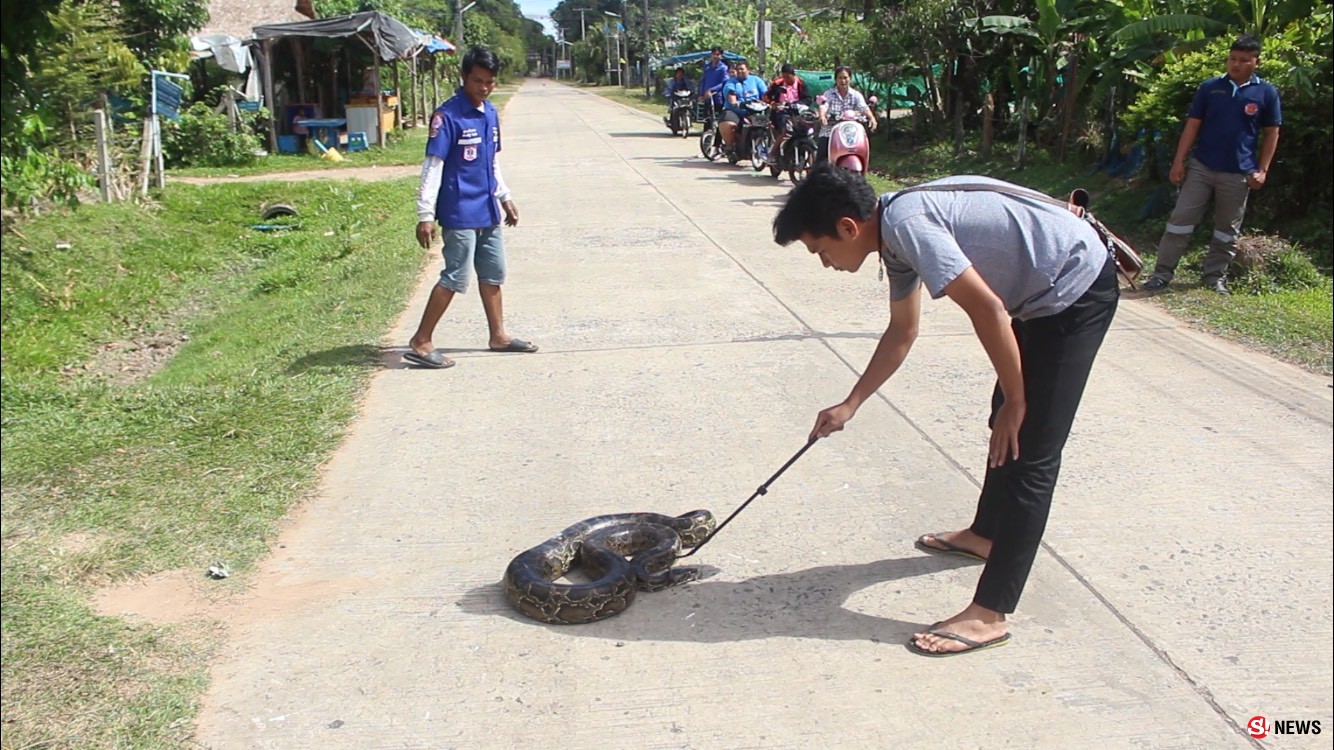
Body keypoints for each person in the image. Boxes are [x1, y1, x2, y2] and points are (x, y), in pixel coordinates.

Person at [772, 164, 1120, 657]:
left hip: (1074, 288)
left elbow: (989, 310)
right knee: (1003, 419)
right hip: (1039, 292)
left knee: (1032, 449)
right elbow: (902, 331)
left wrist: (1019, 400)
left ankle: (990, 613)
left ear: (848, 227)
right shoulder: (890, 233)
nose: (825, 262)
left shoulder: (909, 225)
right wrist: (850, 404)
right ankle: (985, 535)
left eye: (820, 250)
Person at [405, 45, 538, 369]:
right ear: (464, 77)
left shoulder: (490, 113)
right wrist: (425, 215)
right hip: (459, 211)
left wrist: (504, 196)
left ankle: (498, 336)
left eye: (490, 82)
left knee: (493, 274)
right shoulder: (447, 116)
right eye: (478, 81)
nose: (484, 88)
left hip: (487, 209)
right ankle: (421, 341)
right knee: (455, 276)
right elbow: (432, 167)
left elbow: (490, 161)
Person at [1144, 34, 1282, 295]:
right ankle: (1161, 274)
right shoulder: (1210, 87)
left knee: (1227, 230)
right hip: (1202, 167)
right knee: (1180, 221)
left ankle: (1214, 278)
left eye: (1243, 60)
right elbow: (1193, 125)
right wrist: (1178, 162)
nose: (1236, 64)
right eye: (1232, 58)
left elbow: (1272, 133)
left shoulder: (1266, 92)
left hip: (1239, 173)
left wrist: (1262, 171)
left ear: (1256, 61)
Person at [816, 66, 878, 162]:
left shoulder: (856, 95)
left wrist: (872, 118)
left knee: (862, 148)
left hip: (850, 133)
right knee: (822, 156)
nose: (843, 81)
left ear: (850, 79)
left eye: (845, 77)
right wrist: (822, 116)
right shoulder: (829, 93)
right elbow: (824, 106)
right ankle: (817, 175)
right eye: (840, 78)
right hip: (830, 130)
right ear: (836, 79)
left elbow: (863, 107)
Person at [765, 63, 811, 165]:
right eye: (784, 77)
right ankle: (771, 154)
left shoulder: (801, 84)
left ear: (793, 75)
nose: (786, 79)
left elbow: (808, 99)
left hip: (797, 112)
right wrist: (773, 103)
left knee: (805, 130)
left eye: (788, 77)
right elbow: (766, 96)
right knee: (784, 131)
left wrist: (797, 104)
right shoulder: (777, 83)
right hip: (781, 112)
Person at [719, 61, 766, 152]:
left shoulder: (756, 80)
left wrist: (765, 102)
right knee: (728, 124)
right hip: (736, 111)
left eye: (742, 69)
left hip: (754, 110)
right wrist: (734, 102)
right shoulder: (731, 82)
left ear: (748, 70)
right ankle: (730, 146)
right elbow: (731, 93)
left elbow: (765, 94)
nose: (740, 71)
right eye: (738, 69)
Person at [697, 47, 729, 113]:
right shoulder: (707, 67)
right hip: (707, 98)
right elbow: (703, 81)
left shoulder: (723, 68)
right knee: (707, 120)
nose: (715, 56)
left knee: (718, 119)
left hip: (718, 99)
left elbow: (724, 83)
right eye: (714, 54)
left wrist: (711, 90)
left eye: (718, 54)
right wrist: (701, 94)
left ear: (721, 56)